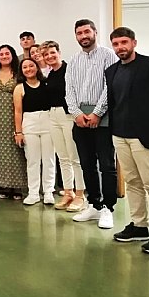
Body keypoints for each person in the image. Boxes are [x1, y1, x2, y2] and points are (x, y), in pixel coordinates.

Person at [107, 27, 149, 254]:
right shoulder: (112, 71)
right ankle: (139, 226)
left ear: (134, 43)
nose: (120, 48)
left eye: (124, 42)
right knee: (133, 183)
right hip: (121, 134)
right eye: (116, 44)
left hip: (145, 136)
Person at [65, 19, 118, 229]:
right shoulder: (74, 60)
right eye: (79, 33)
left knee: (106, 165)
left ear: (95, 32)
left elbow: (110, 86)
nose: (83, 36)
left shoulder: (108, 55)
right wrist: (77, 114)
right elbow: (69, 91)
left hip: (102, 118)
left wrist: (97, 113)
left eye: (87, 31)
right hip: (80, 119)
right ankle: (95, 204)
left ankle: (108, 208)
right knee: (87, 164)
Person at [42, 41, 86, 211]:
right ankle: (68, 192)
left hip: (68, 115)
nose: (50, 57)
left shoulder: (70, 70)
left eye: (52, 53)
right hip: (53, 116)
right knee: (62, 157)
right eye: (46, 55)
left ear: (59, 52)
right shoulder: (50, 74)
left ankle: (80, 195)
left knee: (74, 157)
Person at [13, 58, 55, 205]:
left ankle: (48, 191)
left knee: (49, 159)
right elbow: (18, 112)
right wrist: (18, 132)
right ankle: (33, 193)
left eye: (31, 66)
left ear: (37, 67)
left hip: (47, 121)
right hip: (29, 123)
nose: (28, 69)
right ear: (21, 71)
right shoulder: (19, 88)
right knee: (32, 160)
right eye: (25, 67)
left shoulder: (46, 84)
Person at [0, 45, 28, 199]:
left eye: (7, 53)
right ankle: (3, 185)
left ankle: (17, 186)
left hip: (16, 115)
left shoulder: (19, 74)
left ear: (12, 55)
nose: (4, 56)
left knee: (16, 150)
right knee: (0, 150)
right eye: (1, 54)